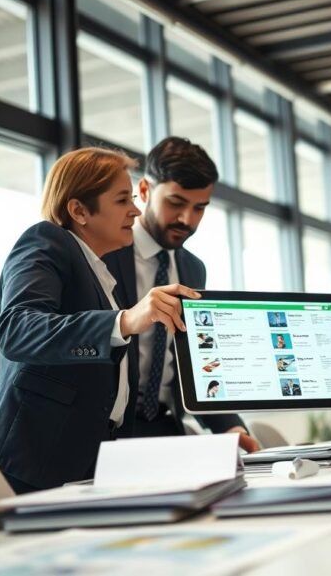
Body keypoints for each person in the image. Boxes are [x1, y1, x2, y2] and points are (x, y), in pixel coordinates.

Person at [0, 147, 199, 494]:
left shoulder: (100, 271)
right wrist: (123, 321)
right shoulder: (45, 243)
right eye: (123, 200)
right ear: (79, 210)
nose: (136, 210)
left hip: (92, 465)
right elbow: (17, 330)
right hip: (32, 466)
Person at [104, 137, 259, 451]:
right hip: (107, 430)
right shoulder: (105, 253)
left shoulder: (193, 269)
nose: (187, 219)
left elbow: (199, 363)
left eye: (199, 208)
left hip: (163, 426)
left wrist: (228, 428)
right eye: (176, 202)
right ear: (145, 191)